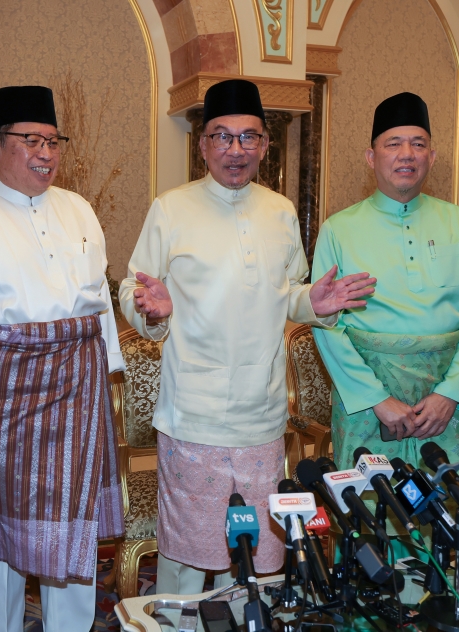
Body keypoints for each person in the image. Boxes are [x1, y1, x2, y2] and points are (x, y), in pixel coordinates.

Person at [118, 79, 376, 595]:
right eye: (222, 136)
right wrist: (152, 308)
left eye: (248, 137)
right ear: (203, 145)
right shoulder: (171, 208)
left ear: (264, 144)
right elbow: (134, 286)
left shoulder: (280, 210)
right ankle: (178, 627)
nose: (235, 149)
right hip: (194, 415)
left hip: (262, 415)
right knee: (188, 556)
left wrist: (314, 302)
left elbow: (287, 293)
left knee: (255, 553)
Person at [0, 85, 124, 632]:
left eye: (53, 141)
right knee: (0, 543)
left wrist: (107, 379)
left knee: (74, 533)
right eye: (31, 140)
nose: (46, 153)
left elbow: (98, 306)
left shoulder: (79, 210)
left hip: (76, 392)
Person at [311, 92, 459, 517]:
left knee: (440, 508)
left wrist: (451, 392)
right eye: (393, 143)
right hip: (369, 401)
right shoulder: (339, 229)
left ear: (432, 156)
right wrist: (376, 398)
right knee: (370, 511)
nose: (406, 154)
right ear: (371, 157)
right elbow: (327, 324)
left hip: (440, 402)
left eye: (418, 143)